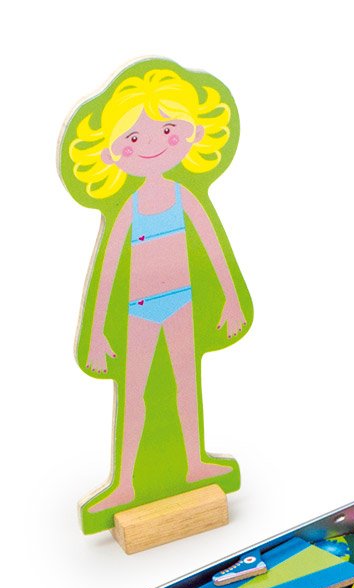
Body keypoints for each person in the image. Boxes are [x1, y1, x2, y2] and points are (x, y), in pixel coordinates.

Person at [64, 64, 249, 519]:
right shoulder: (128, 208)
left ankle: (193, 464)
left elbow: (213, 246)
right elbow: (109, 267)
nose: (150, 144)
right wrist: (96, 332)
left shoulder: (185, 197)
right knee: (136, 393)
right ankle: (126, 484)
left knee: (187, 386)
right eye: (133, 137)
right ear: (113, 153)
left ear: (188, 134)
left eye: (165, 130)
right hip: (139, 310)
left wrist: (230, 297)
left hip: (181, 303)